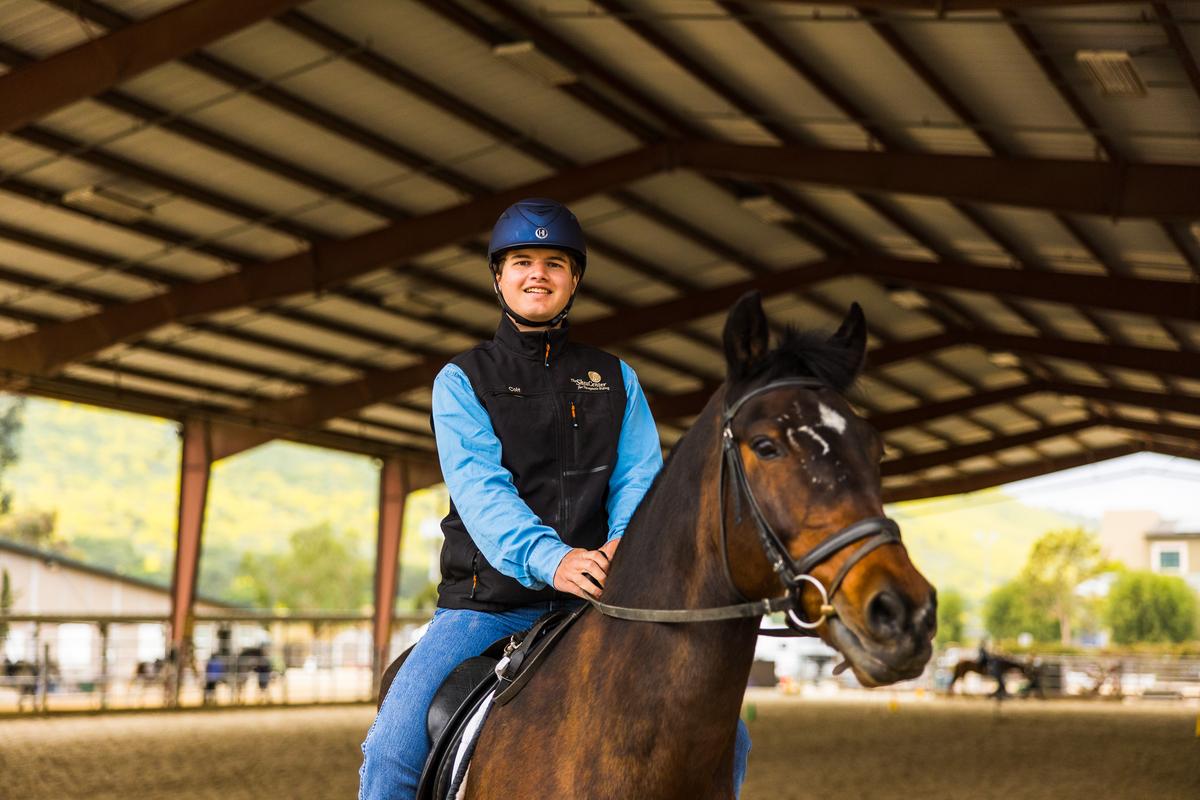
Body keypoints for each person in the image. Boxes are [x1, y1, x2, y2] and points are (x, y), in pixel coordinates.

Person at [358, 198, 751, 799]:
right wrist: (554, 559)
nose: (537, 274)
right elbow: (481, 491)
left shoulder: (616, 379)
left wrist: (625, 546)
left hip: (595, 607)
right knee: (391, 753)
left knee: (734, 738)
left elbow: (638, 479)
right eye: (521, 261)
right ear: (499, 276)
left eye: (553, 263)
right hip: (484, 606)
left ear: (574, 280)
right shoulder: (463, 380)